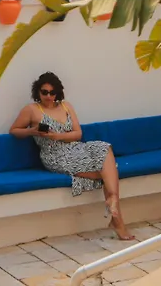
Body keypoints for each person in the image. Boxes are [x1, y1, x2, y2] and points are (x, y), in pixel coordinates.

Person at [9, 72, 135, 240]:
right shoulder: (31, 110)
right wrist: (32, 131)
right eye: (44, 92)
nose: (48, 96)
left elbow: (78, 134)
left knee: (104, 147)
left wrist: (58, 136)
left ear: (58, 92)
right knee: (109, 171)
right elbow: (14, 130)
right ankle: (117, 220)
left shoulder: (66, 106)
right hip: (54, 155)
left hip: (75, 148)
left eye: (52, 92)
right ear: (38, 91)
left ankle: (112, 199)